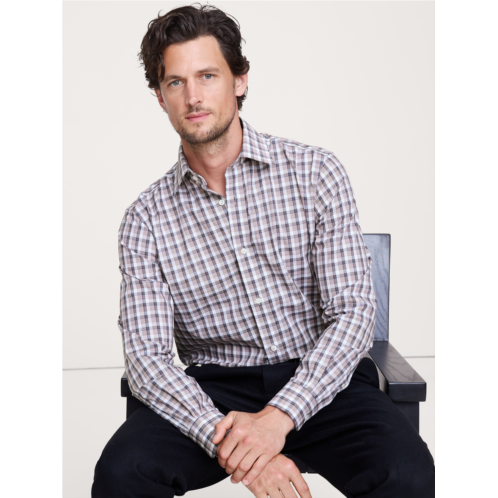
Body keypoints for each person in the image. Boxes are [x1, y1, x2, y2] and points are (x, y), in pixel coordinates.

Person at [92, 5, 435, 497]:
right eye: (175, 82)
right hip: (215, 393)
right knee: (122, 473)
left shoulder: (316, 173)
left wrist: (278, 418)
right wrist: (241, 446)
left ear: (240, 80)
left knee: (407, 476)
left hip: (323, 381)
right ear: (160, 97)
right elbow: (148, 358)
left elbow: (353, 313)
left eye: (208, 76)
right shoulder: (145, 219)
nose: (193, 96)